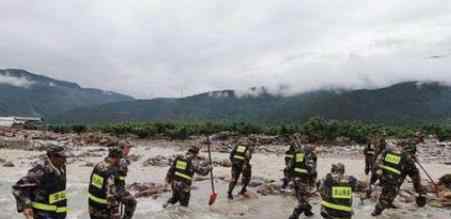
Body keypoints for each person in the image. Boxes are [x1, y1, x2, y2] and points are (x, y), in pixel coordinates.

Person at [370, 139, 426, 216]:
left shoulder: (387, 152)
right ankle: (375, 213)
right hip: (394, 181)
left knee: (385, 193)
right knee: (386, 198)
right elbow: (415, 176)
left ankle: (384, 205)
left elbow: (376, 165)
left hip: (383, 177)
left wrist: (374, 178)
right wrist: (419, 192)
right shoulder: (406, 158)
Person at [12, 145, 68, 219]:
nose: (65, 160)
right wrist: (27, 207)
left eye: (65, 157)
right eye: (62, 157)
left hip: (58, 215)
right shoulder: (40, 171)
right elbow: (18, 188)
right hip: (42, 215)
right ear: (52, 156)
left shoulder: (62, 168)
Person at [88, 147, 123, 219]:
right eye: (120, 159)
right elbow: (110, 195)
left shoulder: (98, 166)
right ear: (117, 158)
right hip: (103, 209)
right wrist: (115, 212)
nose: (120, 161)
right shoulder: (110, 172)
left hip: (92, 206)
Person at [287, 145, 317, 219]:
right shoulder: (312, 156)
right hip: (303, 181)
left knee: (301, 197)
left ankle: (307, 211)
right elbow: (312, 171)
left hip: (295, 179)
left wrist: (290, 178)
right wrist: (313, 183)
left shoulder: (297, 153)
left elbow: (290, 166)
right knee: (303, 200)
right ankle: (294, 216)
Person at [115, 140, 137, 219]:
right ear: (122, 148)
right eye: (127, 148)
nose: (129, 150)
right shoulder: (121, 160)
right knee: (132, 202)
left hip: (116, 187)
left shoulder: (115, 157)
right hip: (116, 188)